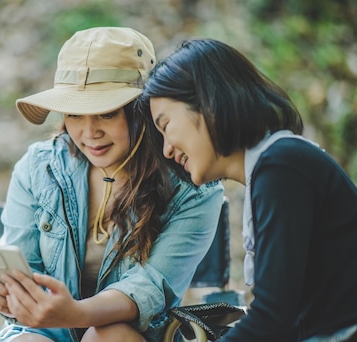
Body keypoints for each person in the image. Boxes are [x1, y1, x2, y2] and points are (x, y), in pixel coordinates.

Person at [0, 27, 224, 342]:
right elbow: (23, 267)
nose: (89, 132)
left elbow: (148, 287)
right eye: (75, 114)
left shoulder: (192, 188)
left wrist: (76, 314)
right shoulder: (40, 167)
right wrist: (1, 290)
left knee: (106, 336)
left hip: (134, 335)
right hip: (43, 333)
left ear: (143, 110)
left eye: (107, 114)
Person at [138, 38, 357, 341]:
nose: (166, 149)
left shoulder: (282, 166)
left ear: (207, 102)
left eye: (166, 126)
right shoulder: (274, 168)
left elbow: (271, 320)